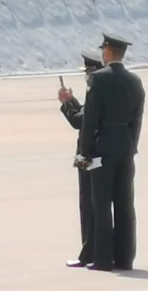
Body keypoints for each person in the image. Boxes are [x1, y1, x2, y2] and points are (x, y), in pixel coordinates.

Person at [79, 33, 145, 272]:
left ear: (106, 52)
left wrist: (84, 152)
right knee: (126, 205)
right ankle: (125, 258)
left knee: (102, 204)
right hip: (126, 148)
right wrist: (131, 145)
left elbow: (90, 120)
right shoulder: (135, 81)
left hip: (103, 148)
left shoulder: (98, 79)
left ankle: (103, 259)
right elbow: (137, 119)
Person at [58, 50, 103, 268]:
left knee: (88, 204)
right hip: (100, 153)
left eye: (88, 72)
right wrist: (72, 101)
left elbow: (81, 122)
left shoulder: (97, 90)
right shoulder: (100, 89)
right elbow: (86, 113)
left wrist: (67, 104)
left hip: (89, 154)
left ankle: (89, 253)